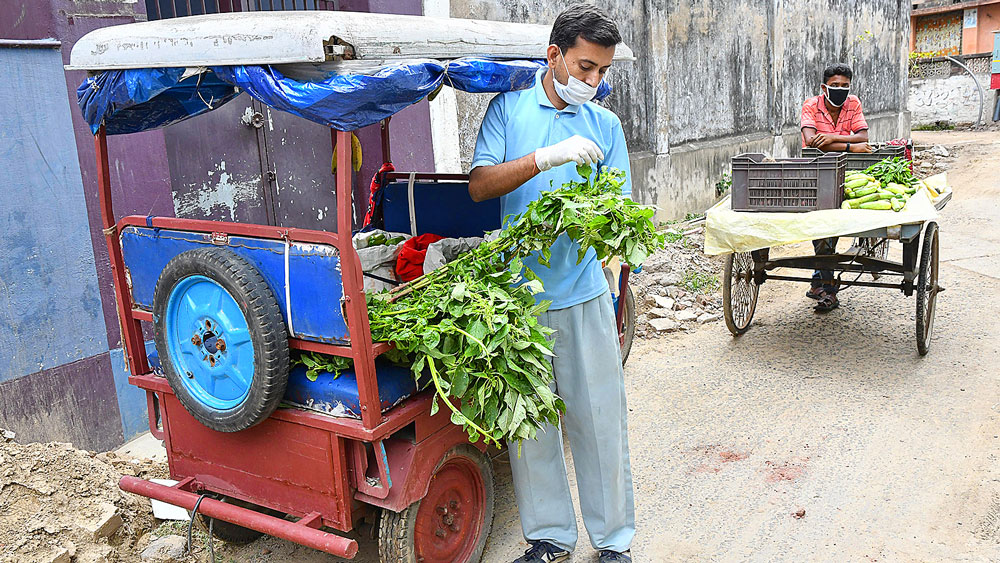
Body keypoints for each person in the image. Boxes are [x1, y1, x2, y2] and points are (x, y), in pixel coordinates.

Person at [467, 4, 634, 563]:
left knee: (599, 422)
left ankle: (613, 543)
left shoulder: (605, 126)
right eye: (585, 67)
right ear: (554, 55)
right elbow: (481, 186)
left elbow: (621, 216)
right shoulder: (508, 111)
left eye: (602, 72)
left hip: (585, 293)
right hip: (517, 299)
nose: (594, 81)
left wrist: (601, 223)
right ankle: (549, 539)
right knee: (531, 425)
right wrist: (543, 158)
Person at [800, 62, 873, 312]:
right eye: (835, 86)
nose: (840, 90)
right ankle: (826, 285)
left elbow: (864, 137)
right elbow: (810, 142)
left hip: (847, 173)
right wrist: (850, 145)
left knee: (831, 228)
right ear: (824, 87)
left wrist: (831, 138)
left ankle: (821, 284)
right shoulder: (811, 105)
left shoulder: (853, 103)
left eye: (845, 86)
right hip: (816, 173)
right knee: (824, 228)